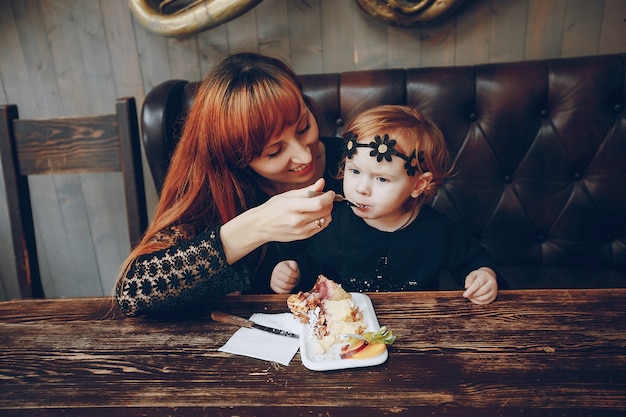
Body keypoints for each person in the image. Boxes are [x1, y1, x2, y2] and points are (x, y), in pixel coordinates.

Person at [115, 52, 346, 316]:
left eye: (304, 127)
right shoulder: (221, 190)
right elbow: (133, 292)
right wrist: (256, 226)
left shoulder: (354, 165)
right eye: (273, 152)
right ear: (237, 156)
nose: (304, 156)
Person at [272, 105, 499, 305]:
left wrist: (483, 276)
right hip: (349, 330)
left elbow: (475, 260)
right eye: (355, 171)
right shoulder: (337, 223)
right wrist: (293, 272)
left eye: (381, 179)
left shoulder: (438, 230)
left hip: (419, 327)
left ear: (418, 184)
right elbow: (313, 263)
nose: (361, 188)